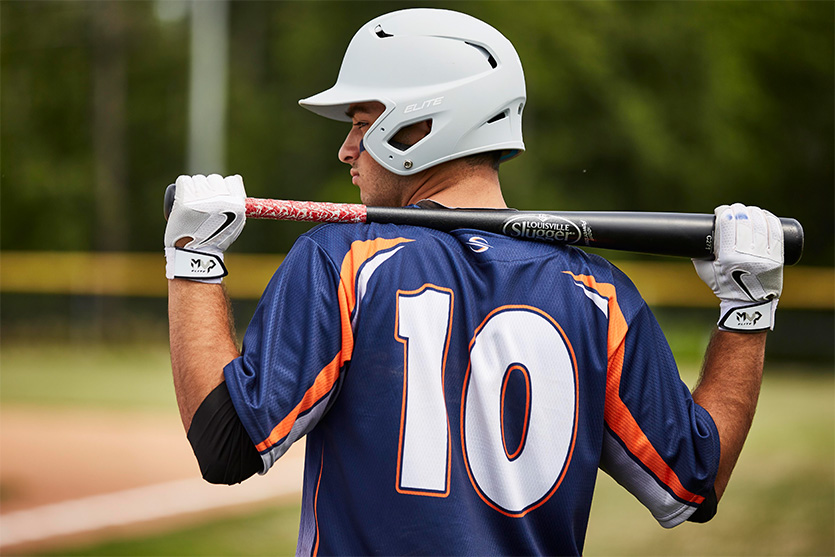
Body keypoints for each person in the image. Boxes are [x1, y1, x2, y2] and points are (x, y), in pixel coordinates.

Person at [164, 8, 784, 556]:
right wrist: (747, 309)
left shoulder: (343, 262)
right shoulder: (600, 295)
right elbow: (697, 481)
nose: (347, 150)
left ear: (418, 127)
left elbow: (225, 446)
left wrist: (193, 260)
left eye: (359, 123)